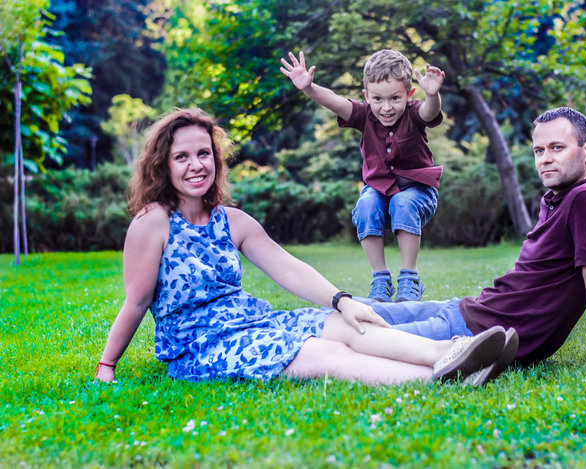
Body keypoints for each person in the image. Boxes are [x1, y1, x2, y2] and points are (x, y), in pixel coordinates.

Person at [94, 109, 512, 386]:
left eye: (204, 153)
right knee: (322, 353)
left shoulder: (231, 220)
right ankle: (440, 377)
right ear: (163, 164)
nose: (196, 165)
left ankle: (451, 352)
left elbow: (287, 267)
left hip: (252, 322)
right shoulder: (153, 222)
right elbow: (137, 301)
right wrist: (107, 365)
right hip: (201, 346)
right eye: (182, 157)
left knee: (344, 325)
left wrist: (342, 301)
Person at [358, 107, 586, 384]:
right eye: (539, 151)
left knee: (359, 333)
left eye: (557, 148)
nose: (545, 159)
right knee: (362, 311)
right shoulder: (558, 198)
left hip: (479, 335)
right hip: (471, 311)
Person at [280, 49, 445, 303]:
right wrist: (309, 88)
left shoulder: (414, 113)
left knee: (403, 202)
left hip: (417, 192)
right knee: (366, 204)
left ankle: (410, 278)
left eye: (395, 98)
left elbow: (430, 113)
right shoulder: (363, 114)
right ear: (366, 96)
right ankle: (380, 279)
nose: (386, 107)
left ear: (409, 94)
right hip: (379, 192)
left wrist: (433, 95)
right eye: (377, 99)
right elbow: (333, 100)